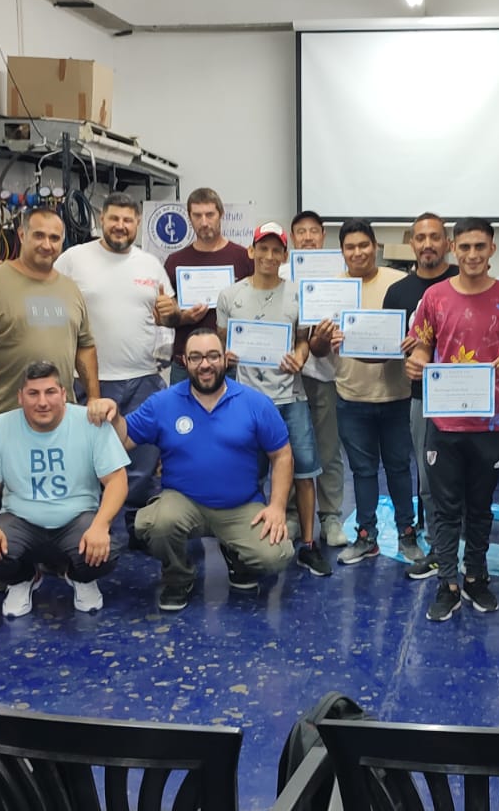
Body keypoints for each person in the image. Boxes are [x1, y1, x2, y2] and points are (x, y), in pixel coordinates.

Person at [95, 329, 296, 612]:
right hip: (183, 501)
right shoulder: (163, 403)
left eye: (213, 356)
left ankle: (236, 557)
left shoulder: (255, 403)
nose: (205, 364)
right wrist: (113, 415)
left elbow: (282, 454)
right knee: (152, 524)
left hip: (240, 505)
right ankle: (179, 577)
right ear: (184, 362)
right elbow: (125, 439)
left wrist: (277, 506)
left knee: (276, 555)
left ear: (225, 359)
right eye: (196, 357)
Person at [406, 218, 499, 621]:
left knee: (480, 507)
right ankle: (448, 582)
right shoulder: (434, 297)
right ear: (453, 249)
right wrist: (417, 363)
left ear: (493, 248)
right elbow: (423, 347)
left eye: (480, 246)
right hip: (443, 424)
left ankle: (476, 576)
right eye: (465, 247)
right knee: (443, 509)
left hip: (491, 424)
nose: (473, 255)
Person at [53, 192, 178, 546]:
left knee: (141, 457)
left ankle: (137, 524)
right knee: (88, 459)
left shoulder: (151, 264)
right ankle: (89, 527)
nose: (120, 226)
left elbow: (167, 314)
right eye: (113, 219)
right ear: (101, 220)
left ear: (137, 224)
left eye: (127, 220)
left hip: (143, 377)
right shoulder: (73, 260)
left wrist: (171, 311)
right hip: (89, 379)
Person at [215, 222, 334, 577]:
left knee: (304, 470)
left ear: (285, 255)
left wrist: (300, 355)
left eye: (276, 249)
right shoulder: (229, 295)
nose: (268, 255)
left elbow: (302, 339)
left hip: (290, 397)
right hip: (245, 401)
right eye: (261, 248)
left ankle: (309, 545)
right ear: (251, 252)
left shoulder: (297, 293)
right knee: (248, 473)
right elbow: (222, 342)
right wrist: (227, 356)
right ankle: (248, 538)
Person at [0, 361, 129, 617]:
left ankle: (80, 578)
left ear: (64, 394)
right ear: (20, 397)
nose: (42, 402)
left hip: (77, 519)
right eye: (33, 393)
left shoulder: (90, 423)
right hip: (20, 519)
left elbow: (116, 480)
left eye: (50, 392)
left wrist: (101, 526)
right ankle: (24, 579)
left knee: (105, 555)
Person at [309, 220, 424, 566]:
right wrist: (322, 338)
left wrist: (412, 342)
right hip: (351, 395)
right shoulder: (330, 290)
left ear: (375, 246)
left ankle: (408, 534)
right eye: (350, 247)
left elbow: (422, 333)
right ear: (342, 251)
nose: (357, 252)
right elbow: (315, 349)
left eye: (364, 245)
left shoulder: (399, 283)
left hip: (397, 395)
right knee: (361, 471)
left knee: (400, 469)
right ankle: (366, 536)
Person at [0, 207, 99, 437]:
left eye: (54, 238)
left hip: (58, 418)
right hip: (1, 419)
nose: (47, 244)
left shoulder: (70, 289)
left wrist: (94, 396)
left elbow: (85, 347)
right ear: (22, 235)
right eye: (39, 235)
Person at [384, 212, 459, 579]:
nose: (427, 244)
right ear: (411, 244)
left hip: (467, 397)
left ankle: (466, 544)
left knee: (466, 475)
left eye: (435, 237)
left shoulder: (464, 282)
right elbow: (390, 346)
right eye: (420, 238)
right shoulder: (399, 292)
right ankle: (436, 545)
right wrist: (405, 348)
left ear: (447, 243)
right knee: (428, 476)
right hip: (420, 396)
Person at [289, 210, 348, 548]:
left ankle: (330, 517)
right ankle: (294, 514)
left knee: (327, 449)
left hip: (324, 375)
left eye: (314, 231)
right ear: (293, 237)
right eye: (301, 232)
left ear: (323, 236)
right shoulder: (281, 274)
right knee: (289, 450)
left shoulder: (340, 277)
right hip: (287, 378)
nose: (308, 237)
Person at [164, 188, 254, 385]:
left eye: (210, 215)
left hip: (230, 364)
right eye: (197, 215)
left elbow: (257, 310)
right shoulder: (175, 261)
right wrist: (182, 317)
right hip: (186, 364)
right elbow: (164, 317)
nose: (204, 222)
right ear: (189, 217)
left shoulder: (244, 258)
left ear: (221, 215)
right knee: (182, 416)